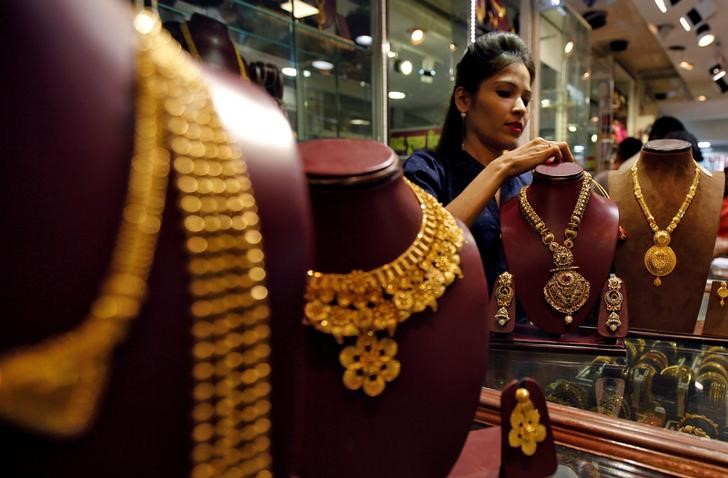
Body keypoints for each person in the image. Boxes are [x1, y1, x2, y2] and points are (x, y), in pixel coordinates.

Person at [403, 31, 573, 288]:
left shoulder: (528, 182)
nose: (520, 108)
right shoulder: (427, 170)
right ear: (464, 99)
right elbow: (425, 251)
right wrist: (503, 167)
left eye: (526, 99)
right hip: (455, 324)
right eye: (505, 92)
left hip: (524, 326)